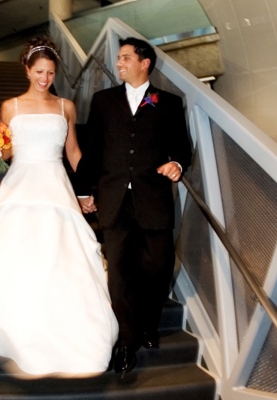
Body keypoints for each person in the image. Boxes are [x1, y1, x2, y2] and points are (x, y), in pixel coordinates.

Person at [0, 37, 118, 377]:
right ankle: (16, 322)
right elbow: (3, 158)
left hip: (55, 184)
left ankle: (68, 328)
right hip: (20, 182)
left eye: (50, 72)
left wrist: (90, 188)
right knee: (18, 253)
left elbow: (74, 154)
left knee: (62, 255)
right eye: (39, 71)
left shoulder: (66, 106)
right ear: (27, 69)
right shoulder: (11, 107)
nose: (44, 78)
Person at [76, 37, 192, 377]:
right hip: (113, 200)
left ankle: (146, 323)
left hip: (153, 198)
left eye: (126, 57)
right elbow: (91, 149)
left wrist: (177, 165)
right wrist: (84, 190)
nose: (119, 63)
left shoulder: (168, 103)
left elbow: (181, 148)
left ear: (146, 63)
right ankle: (126, 341)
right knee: (121, 273)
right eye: (119, 58)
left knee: (158, 265)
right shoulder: (103, 101)